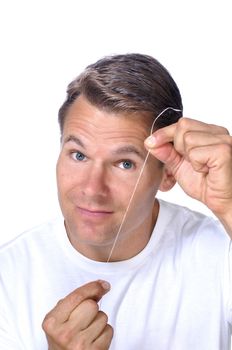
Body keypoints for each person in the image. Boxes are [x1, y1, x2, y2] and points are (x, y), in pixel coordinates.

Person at [0, 53, 232, 350]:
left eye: (124, 163)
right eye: (79, 155)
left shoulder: (218, 254)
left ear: (168, 173)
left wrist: (228, 205)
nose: (92, 188)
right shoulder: (8, 279)